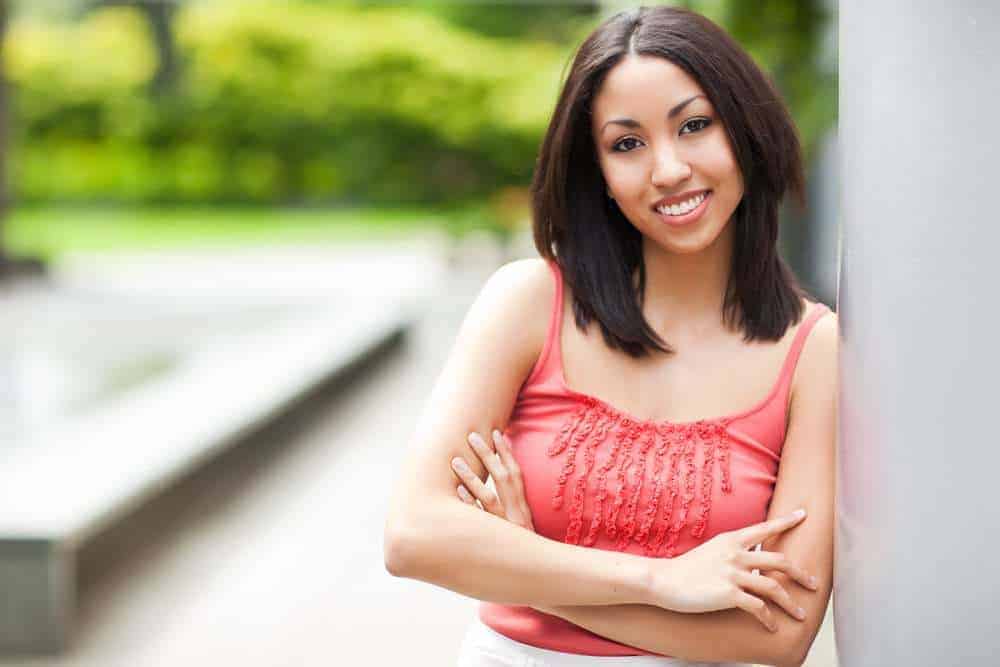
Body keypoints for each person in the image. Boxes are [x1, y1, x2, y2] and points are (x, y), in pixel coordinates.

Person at [383, 5, 837, 666]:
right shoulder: (529, 302)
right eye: (627, 143)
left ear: (746, 128)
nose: (669, 169)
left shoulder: (813, 350)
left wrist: (527, 564)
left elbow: (779, 633)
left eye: (695, 126)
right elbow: (415, 533)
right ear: (597, 171)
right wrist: (662, 580)